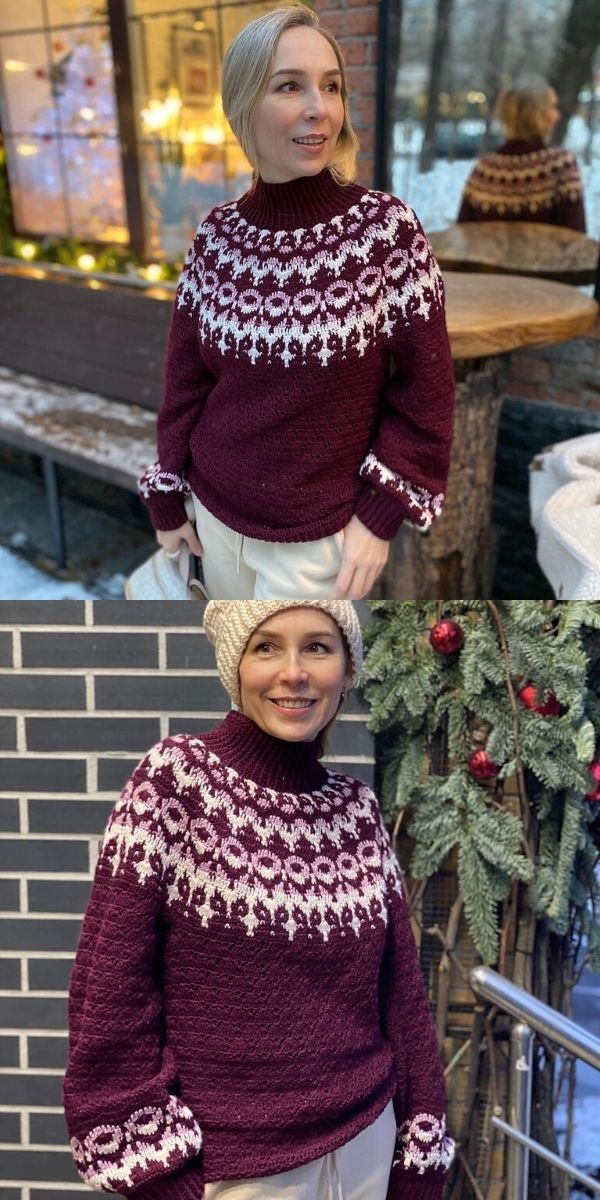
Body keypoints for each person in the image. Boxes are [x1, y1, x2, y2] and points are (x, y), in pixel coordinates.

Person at [63, 599, 455, 1200]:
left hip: (369, 1145)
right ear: (234, 667)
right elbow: (110, 989)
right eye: (266, 646)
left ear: (347, 671)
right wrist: (159, 1176)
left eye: (318, 647)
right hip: (239, 1169)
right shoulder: (175, 781)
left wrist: (419, 1147)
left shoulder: (356, 809)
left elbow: (400, 994)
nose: (293, 672)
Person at [138, 5, 455, 602]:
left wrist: (380, 513)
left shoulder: (385, 233)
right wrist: (167, 491)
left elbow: (425, 392)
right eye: (290, 86)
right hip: (211, 519)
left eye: (331, 86)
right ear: (243, 105)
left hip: (319, 542)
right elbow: (186, 382)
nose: (321, 107)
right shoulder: (217, 238)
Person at [457, 81, 586, 231]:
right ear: (538, 116)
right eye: (552, 107)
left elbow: (462, 237)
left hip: (484, 255)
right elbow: (576, 241)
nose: (557, 116)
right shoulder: (560, 165)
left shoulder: (483, 170)